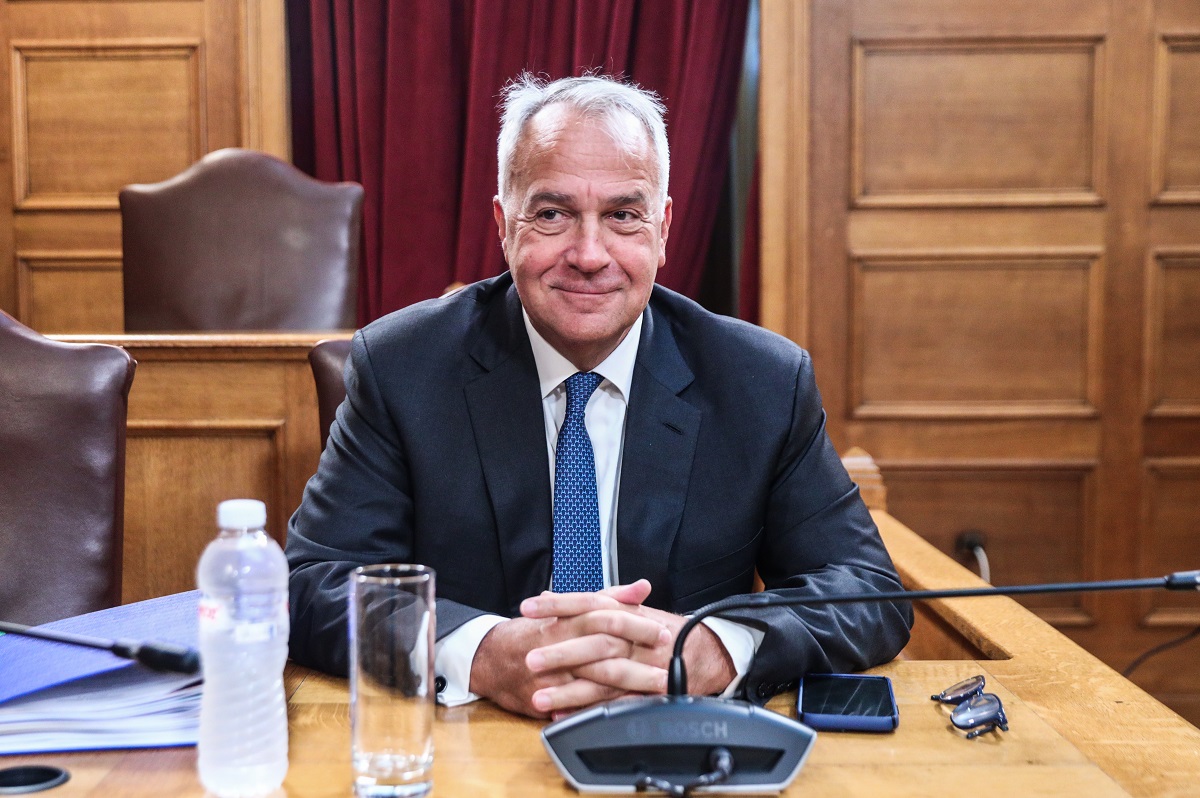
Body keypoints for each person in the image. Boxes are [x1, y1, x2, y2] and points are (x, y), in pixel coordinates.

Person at [286, 73, 912, 719]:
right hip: (474, 733)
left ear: (662, 229)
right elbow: (312, 584)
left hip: (680, 734)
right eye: (552, 214)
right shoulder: (403, 367)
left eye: (623, 216)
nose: (589, 255)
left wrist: (719, 649)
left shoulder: (760, 381)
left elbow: (865, 591)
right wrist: (484, 653)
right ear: (503, 224)